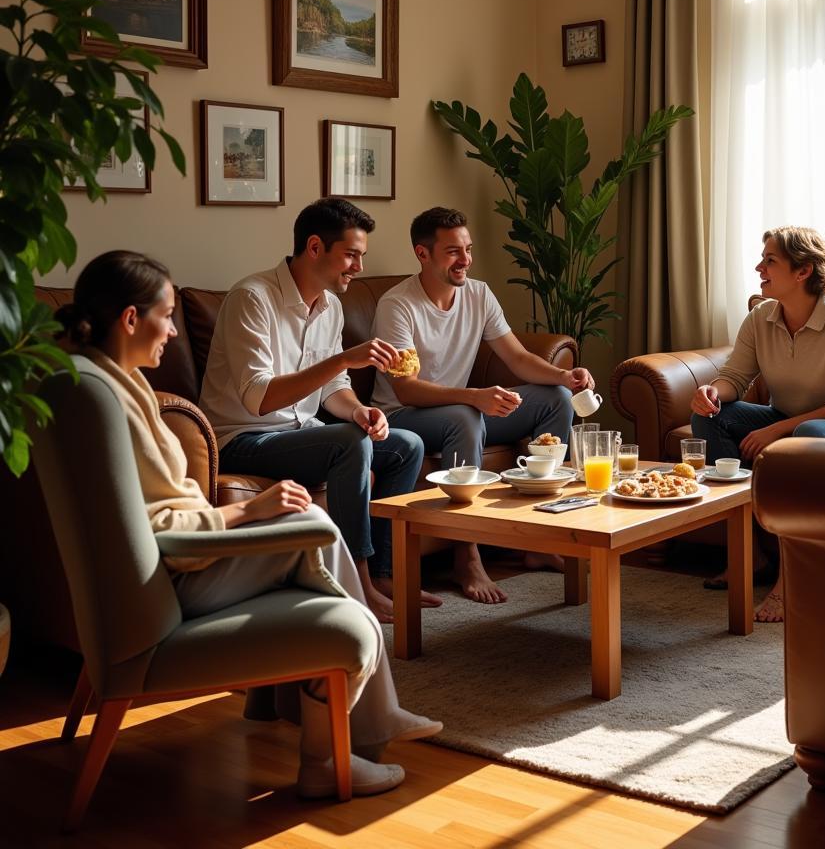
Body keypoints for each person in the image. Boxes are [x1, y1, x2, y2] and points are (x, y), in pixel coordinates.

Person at [55, 250, 443, 798]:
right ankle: (340, 745)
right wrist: (248, 511)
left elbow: (147, 515)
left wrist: (353, 410)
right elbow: (166, 523)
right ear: (130, 320)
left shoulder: (104, 384)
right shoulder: (114, 397)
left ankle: (334, 726)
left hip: (160, 568)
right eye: (166, 316)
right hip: (175, 575)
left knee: (312, 527)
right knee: (315, 528)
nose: (170, 330)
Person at [199, 198, 438, 624]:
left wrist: (361, 412)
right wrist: (344, 360)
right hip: (242, 438)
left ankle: (383, 575)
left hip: (299, 431)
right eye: (351, 255)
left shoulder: (330, 306)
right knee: (348, 444)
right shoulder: (251, 299)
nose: (358, 267)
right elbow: (260, 397)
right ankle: (356, 585)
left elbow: (333, 389)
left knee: (405, 444)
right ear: (314, 247)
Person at [370, 207, 596, 604]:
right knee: (466, 415)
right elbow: (405, 389)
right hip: (403, 417)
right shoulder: (398, 306)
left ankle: (540, 539)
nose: (466, 260)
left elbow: (518, 358)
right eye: (453, 252)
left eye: (468, 250)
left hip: (461, 415)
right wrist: (474, 396)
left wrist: (564, 376)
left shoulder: (478, 294)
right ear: (422, 254)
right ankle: (466, 554)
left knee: (555, 400)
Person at [689, 227, 825, 623]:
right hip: (802, 422)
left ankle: (792, 577)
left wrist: (778, 430)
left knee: (806, 438)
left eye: (770, 260)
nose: (759, 267)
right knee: (708, 417)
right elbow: (735, 378)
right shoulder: (761, 317)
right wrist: (712, 392)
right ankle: (751, 553)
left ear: (803, 271)